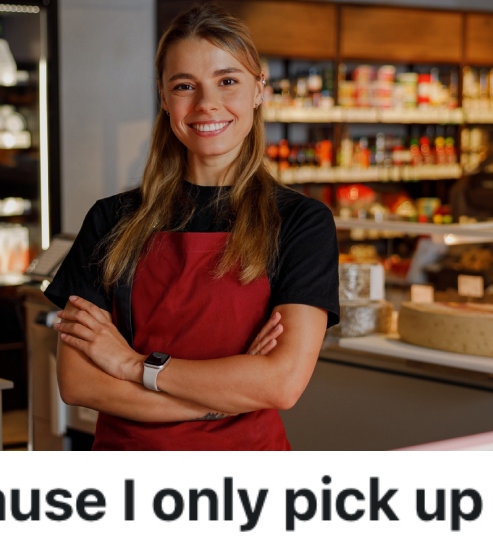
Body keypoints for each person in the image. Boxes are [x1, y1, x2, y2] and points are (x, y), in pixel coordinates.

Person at [43, 3, 339, 450]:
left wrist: (131, 366)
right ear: (164, 96)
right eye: (185, 86)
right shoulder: (110, 219)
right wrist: (224, 398)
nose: (207, 104)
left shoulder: (301, 223)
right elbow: (79, 383)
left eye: (228, 81)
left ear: (259, 89)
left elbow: (280, 384)